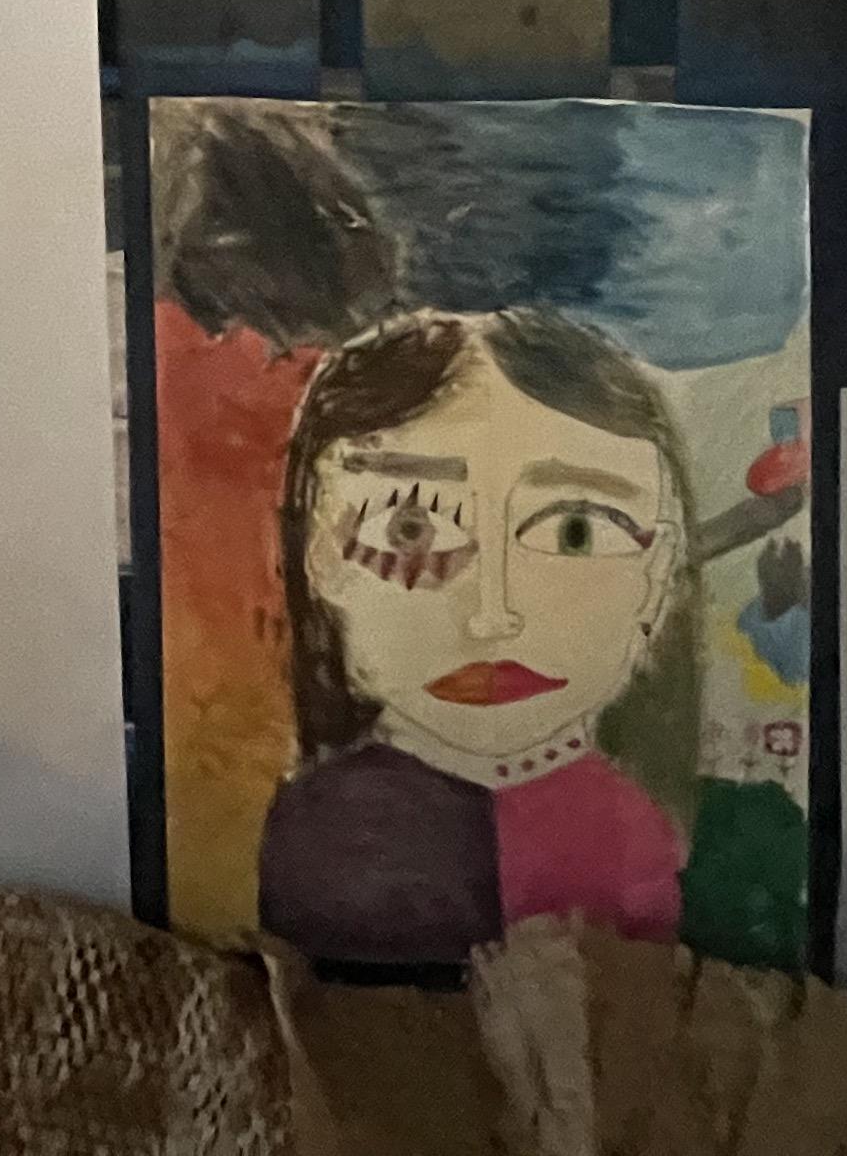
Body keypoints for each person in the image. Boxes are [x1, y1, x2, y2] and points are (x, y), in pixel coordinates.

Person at [256, 305, 696, 971]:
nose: (492, 616)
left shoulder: (641, 831)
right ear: (322, 560)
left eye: (575, 531)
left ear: (658, 571)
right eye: (408, 530)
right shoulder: (326, 828)